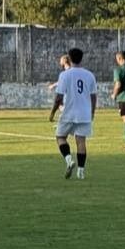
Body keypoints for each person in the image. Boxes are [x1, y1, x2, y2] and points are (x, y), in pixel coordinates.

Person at [50, 47, 96, 180]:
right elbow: (93, 96)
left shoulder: (65, 75)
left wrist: (52, 112)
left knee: (60, 137)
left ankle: (69, 160)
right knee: (81, 141)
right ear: (82, 59)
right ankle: (81, 171)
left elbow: (59, 97)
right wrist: (92, 112)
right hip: (84, 113)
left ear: (69, 59)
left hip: (69, 112)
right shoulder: (89, 75)